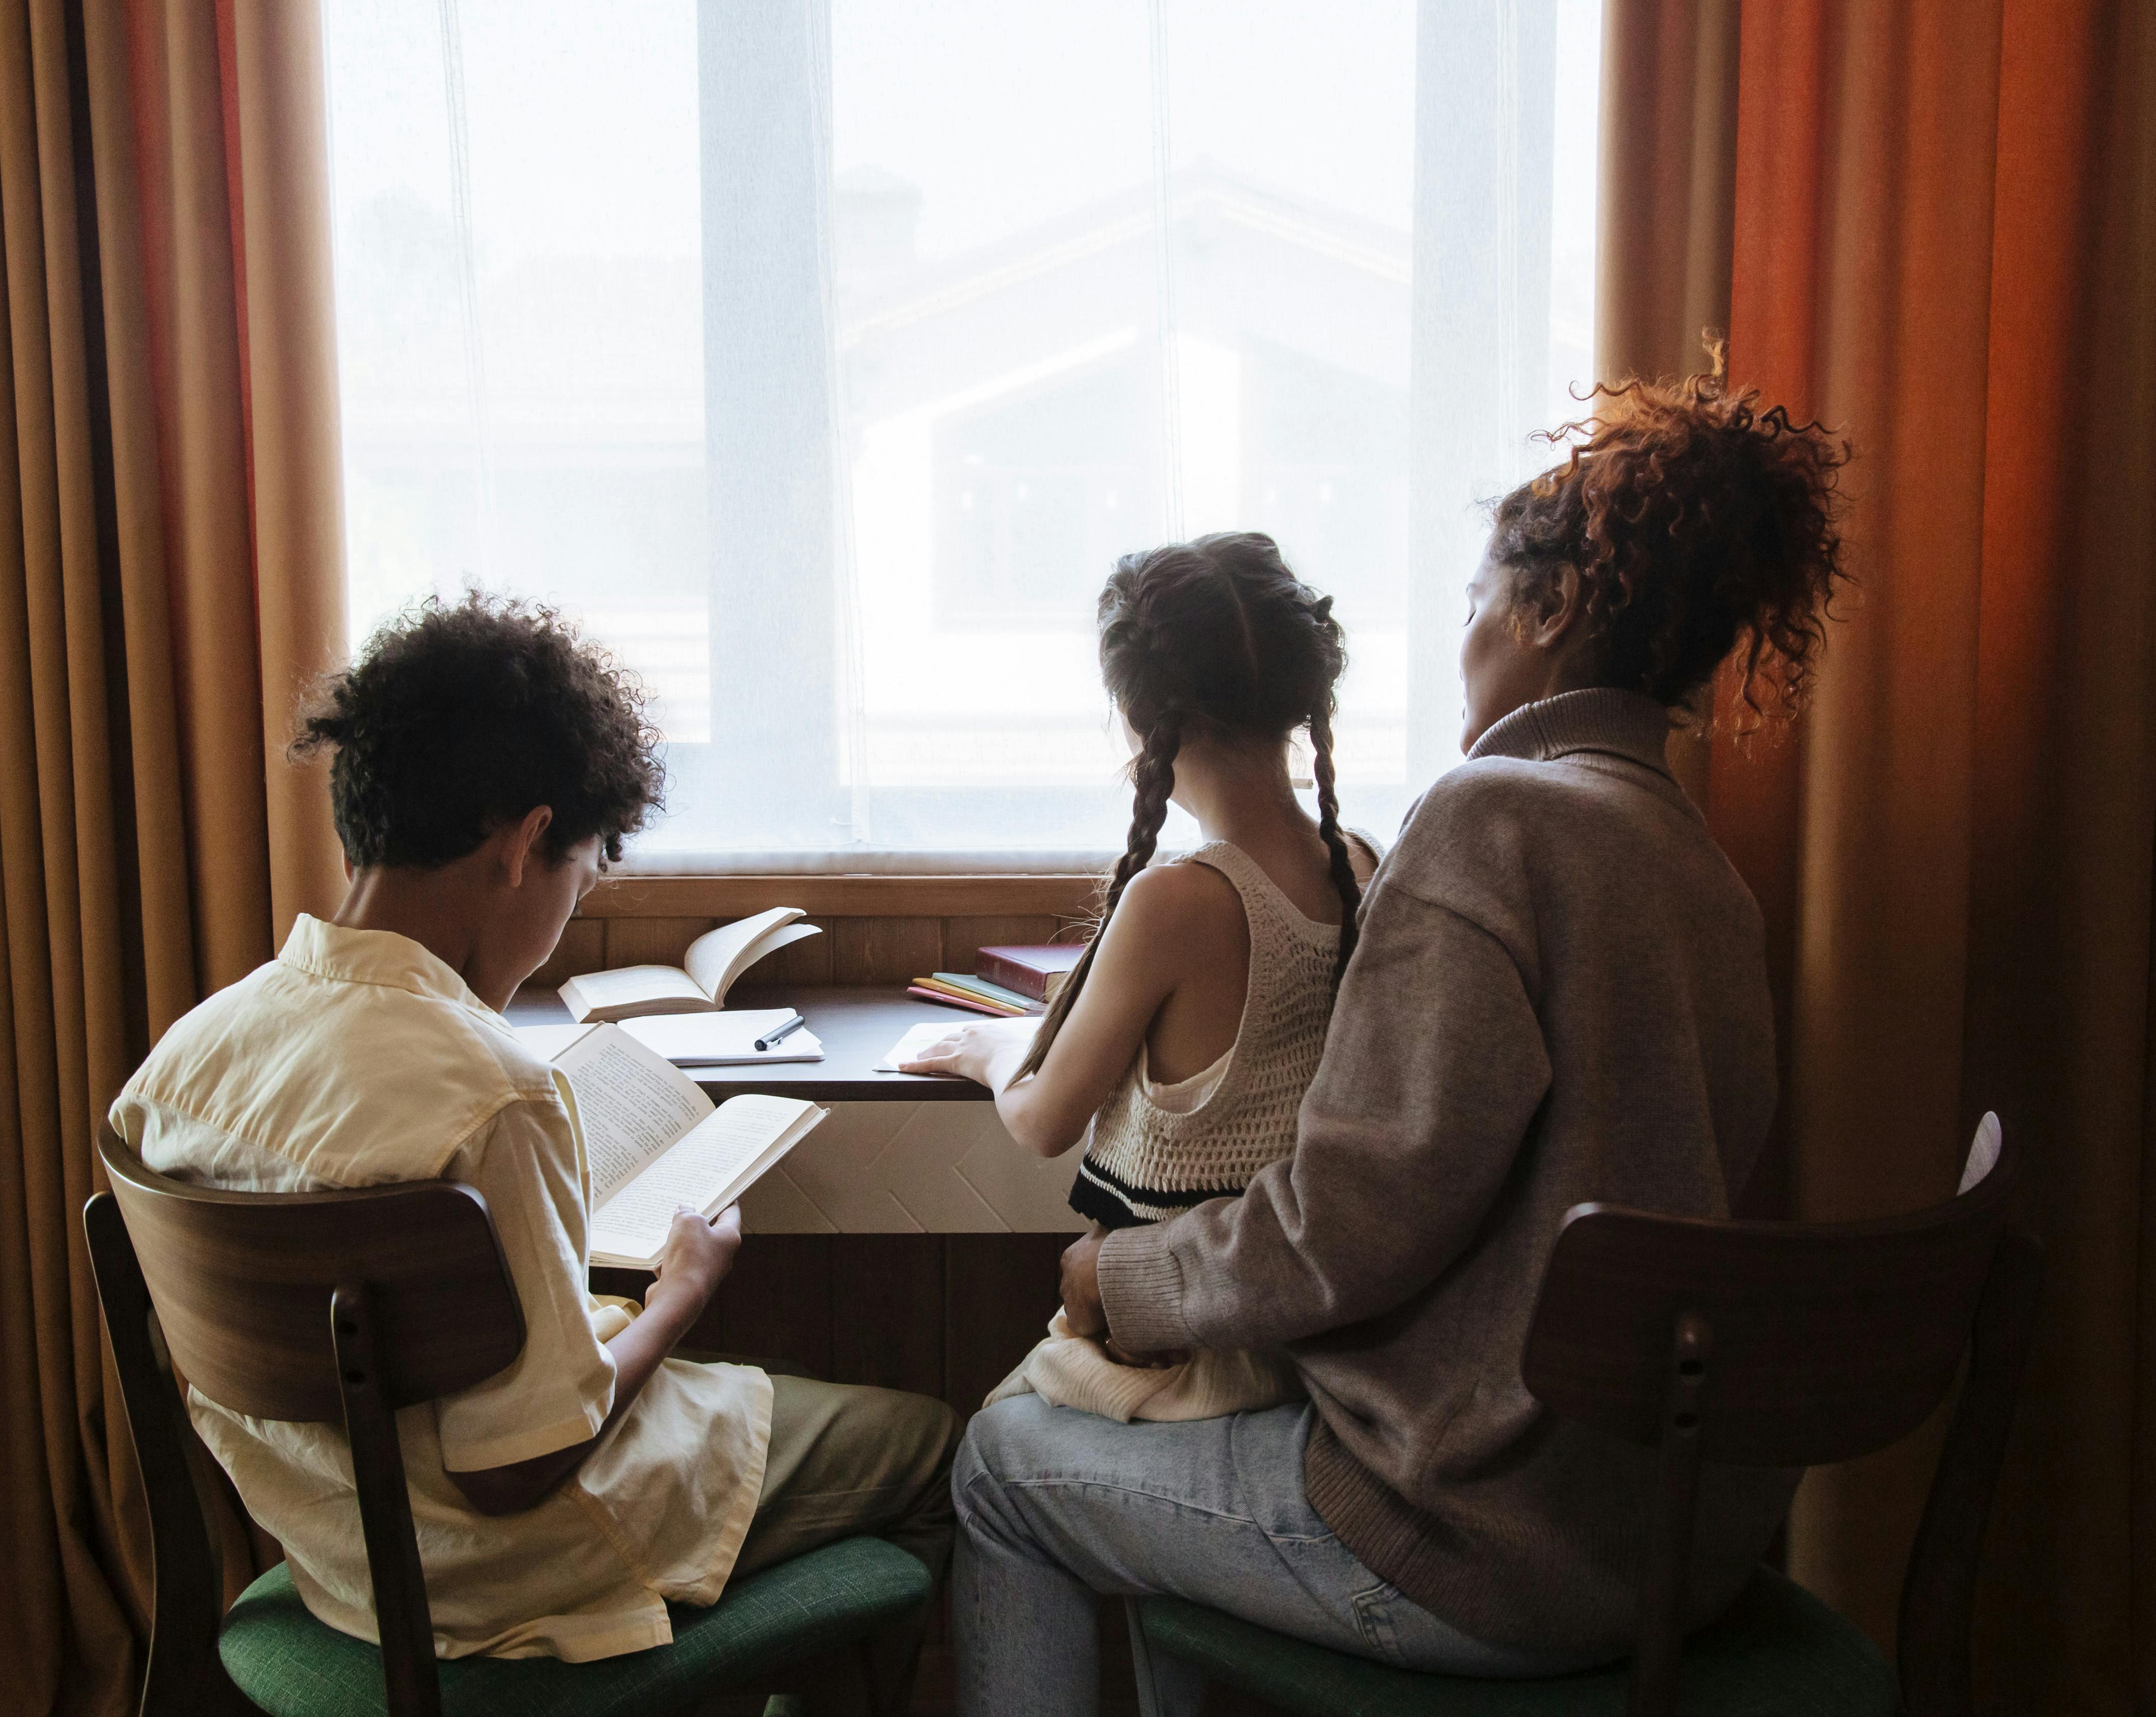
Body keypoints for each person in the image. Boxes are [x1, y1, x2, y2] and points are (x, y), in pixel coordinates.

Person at [950, 369, 1852, 1714]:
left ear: (1547, 612)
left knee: (1005, 1467)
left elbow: (1351, 1222)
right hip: (1673, 1544)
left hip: (1483, 1547)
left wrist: (1116, 1278)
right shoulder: (1700, 867)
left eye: (1480, 604)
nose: (1466, 642)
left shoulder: (1492, 819)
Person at [108, 595, 958, 1674]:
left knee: (771, 1382)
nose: (569, 909)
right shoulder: (491, 1094)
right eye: (584, 873)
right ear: (523, 845)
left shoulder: (183, 1062)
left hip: (336, 1555)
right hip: (512, 1564)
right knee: (932, 1445)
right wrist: (684, 1289)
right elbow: (519, 1465)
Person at [900, 533, 1378, 1424]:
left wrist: (986, 1054)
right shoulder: (1356, 862)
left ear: (1136, 707)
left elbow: (1045, 1123)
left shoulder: (1179, 902)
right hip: (1293, 1346)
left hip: (1178, 1356)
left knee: (982, 1447)